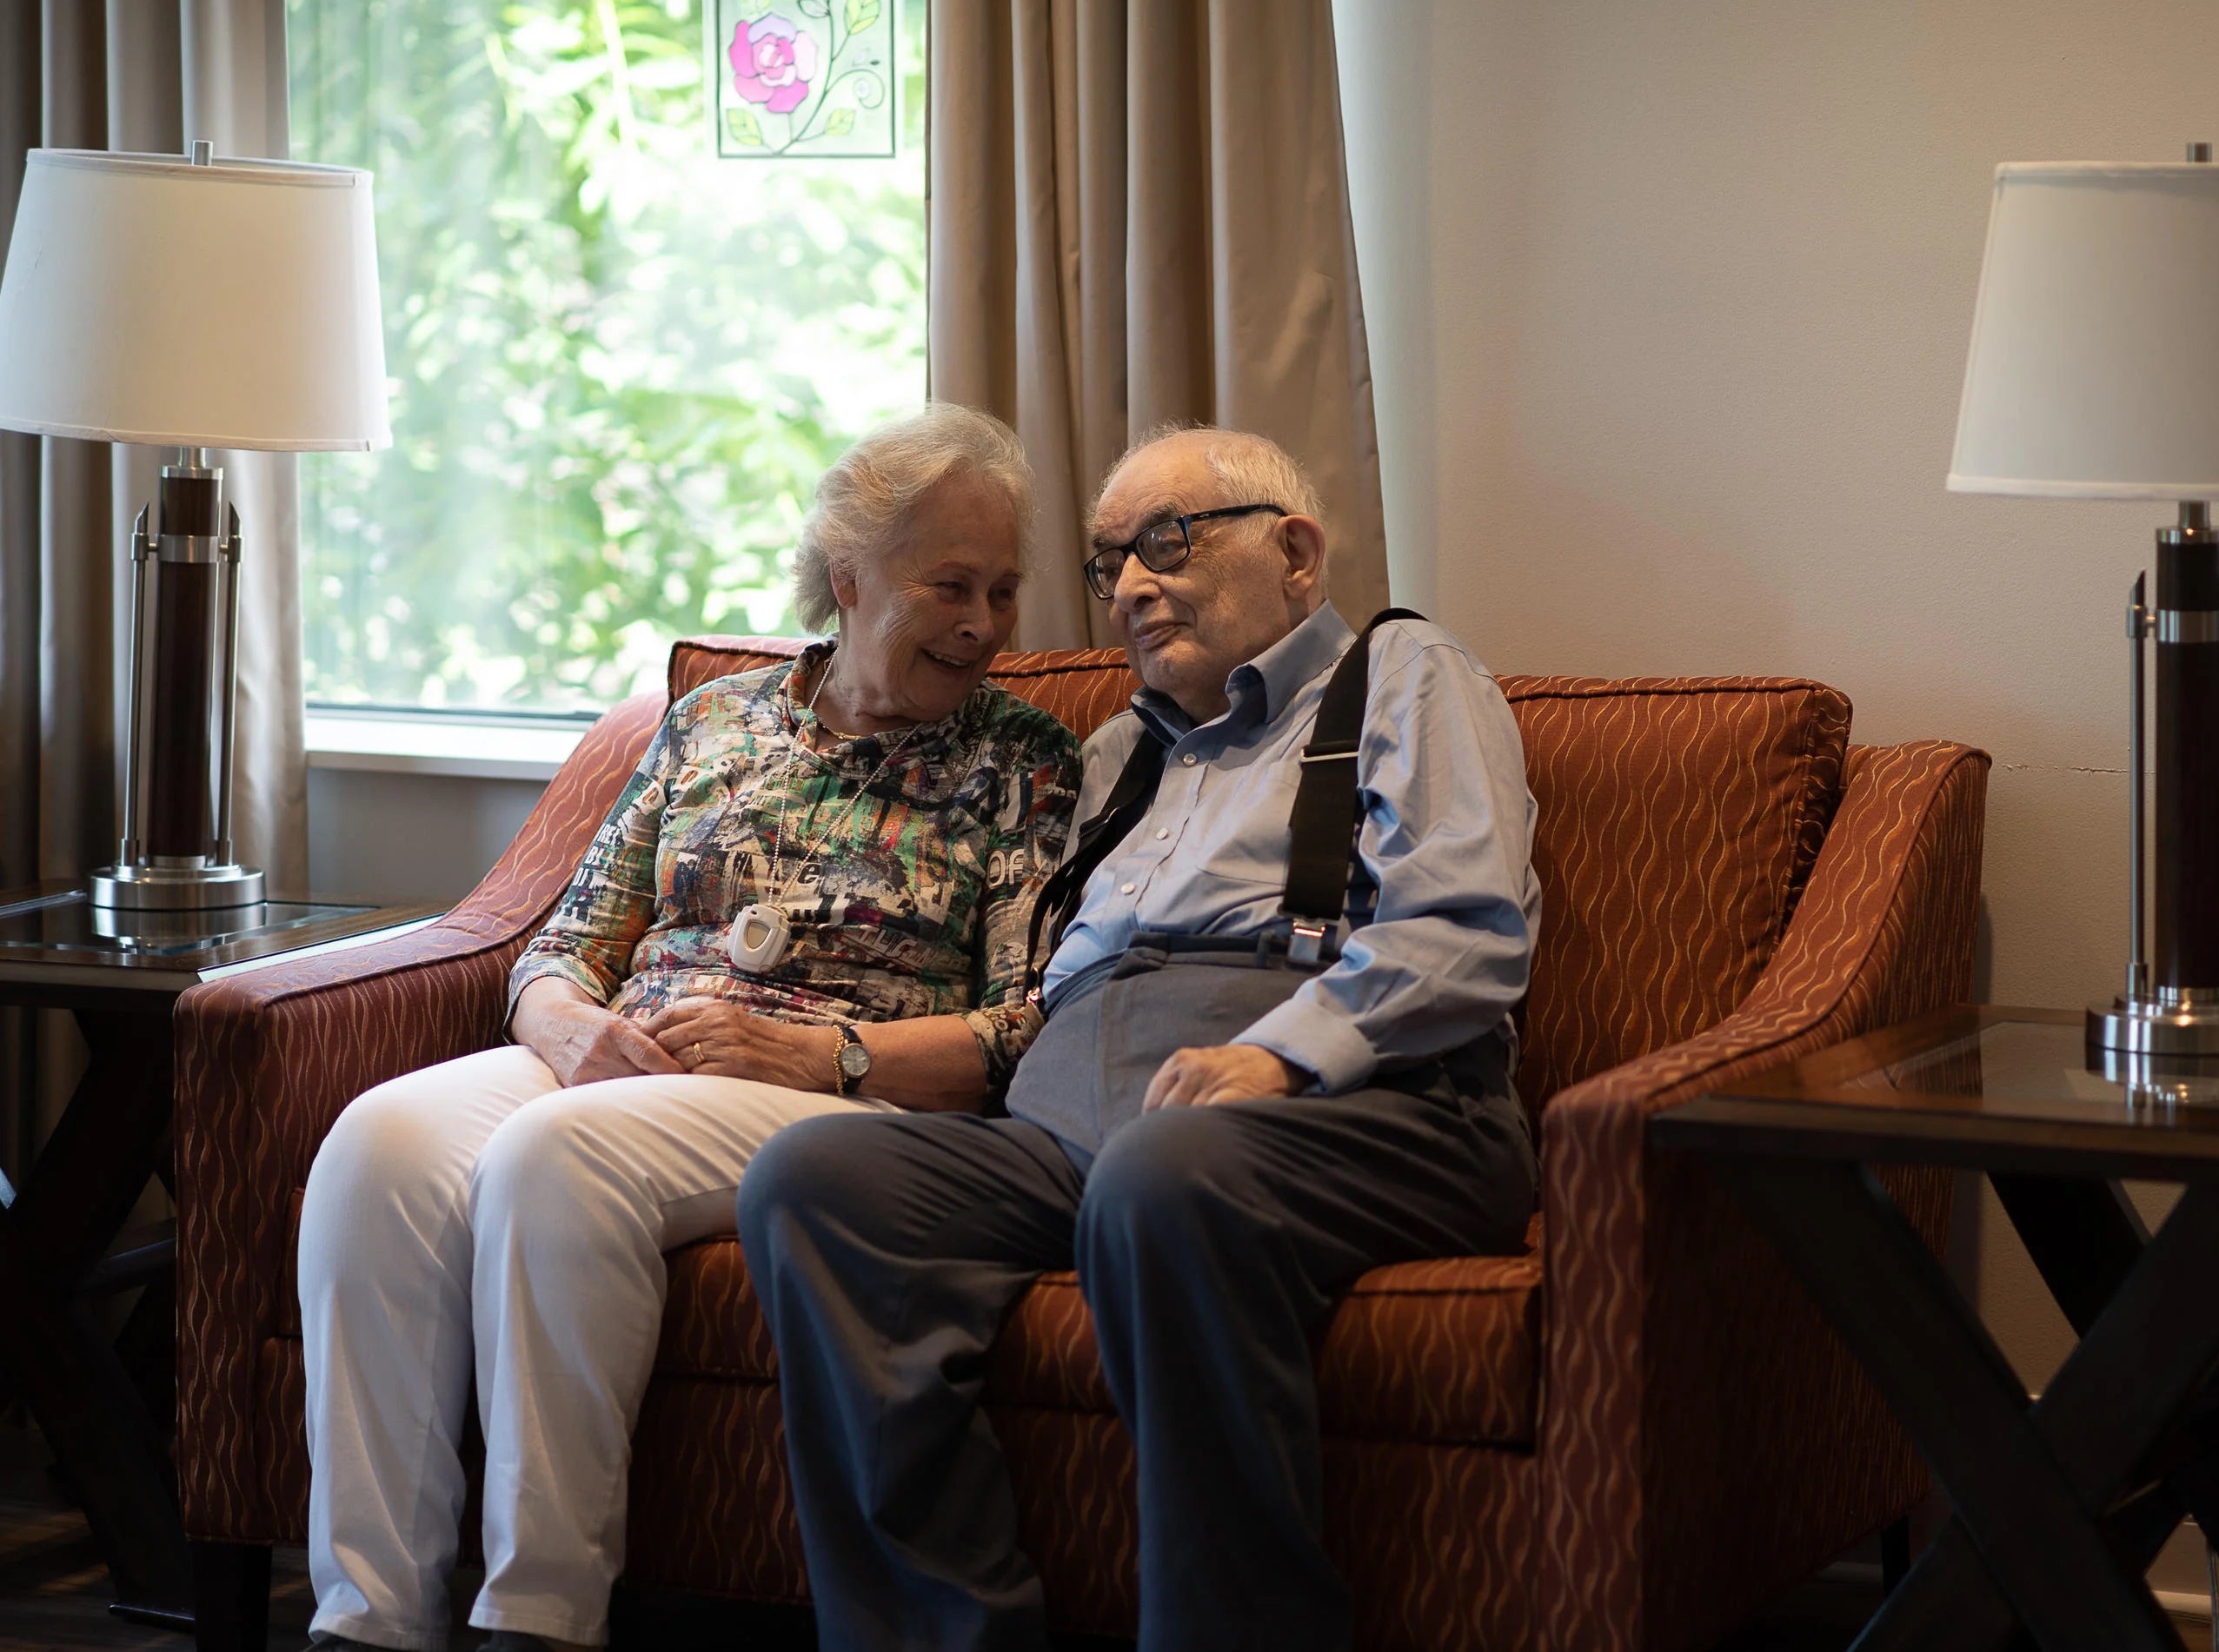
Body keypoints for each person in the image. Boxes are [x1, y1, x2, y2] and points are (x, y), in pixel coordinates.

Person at [737, 426, 1540, 1652]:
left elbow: (1468, 927)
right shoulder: (1115, 755)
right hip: (1078, 1125)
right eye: (1113, 559)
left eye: (1168, 542)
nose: (1130, 586)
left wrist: (1281, 1053)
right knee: (817, 1179)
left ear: (1298, 552)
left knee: (1167, 1175)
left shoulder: (1406, 678)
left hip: (1365, 1104)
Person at [296, 403, 1081, 1652]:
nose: (984, 624)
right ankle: (370, 1618)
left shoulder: (1025, 761)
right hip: (623, 1053)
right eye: (949, 585)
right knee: (378, 1145)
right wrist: (569, 1035)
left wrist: (825, 1054)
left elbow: (1029, 1024)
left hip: (827, 1091)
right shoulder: (712, 722)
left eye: (1002, 589)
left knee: (560, 1158)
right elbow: (562, 945)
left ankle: (539, 1614)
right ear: (850, 578)